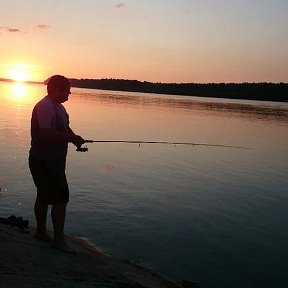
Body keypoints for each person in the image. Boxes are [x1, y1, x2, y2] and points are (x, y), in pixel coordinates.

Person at [29, 75, 85, 252]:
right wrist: (71, 138)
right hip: (45, 159)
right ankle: (58, 241)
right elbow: (46, 133)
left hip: (53, 159)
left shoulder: (59, 108)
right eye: (66, 89)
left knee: (44, 194)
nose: (69, 92)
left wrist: (74, 139)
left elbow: (64, 128)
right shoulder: (45, 106)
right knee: (61, 198)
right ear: (54, 89)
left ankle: (41, 232)